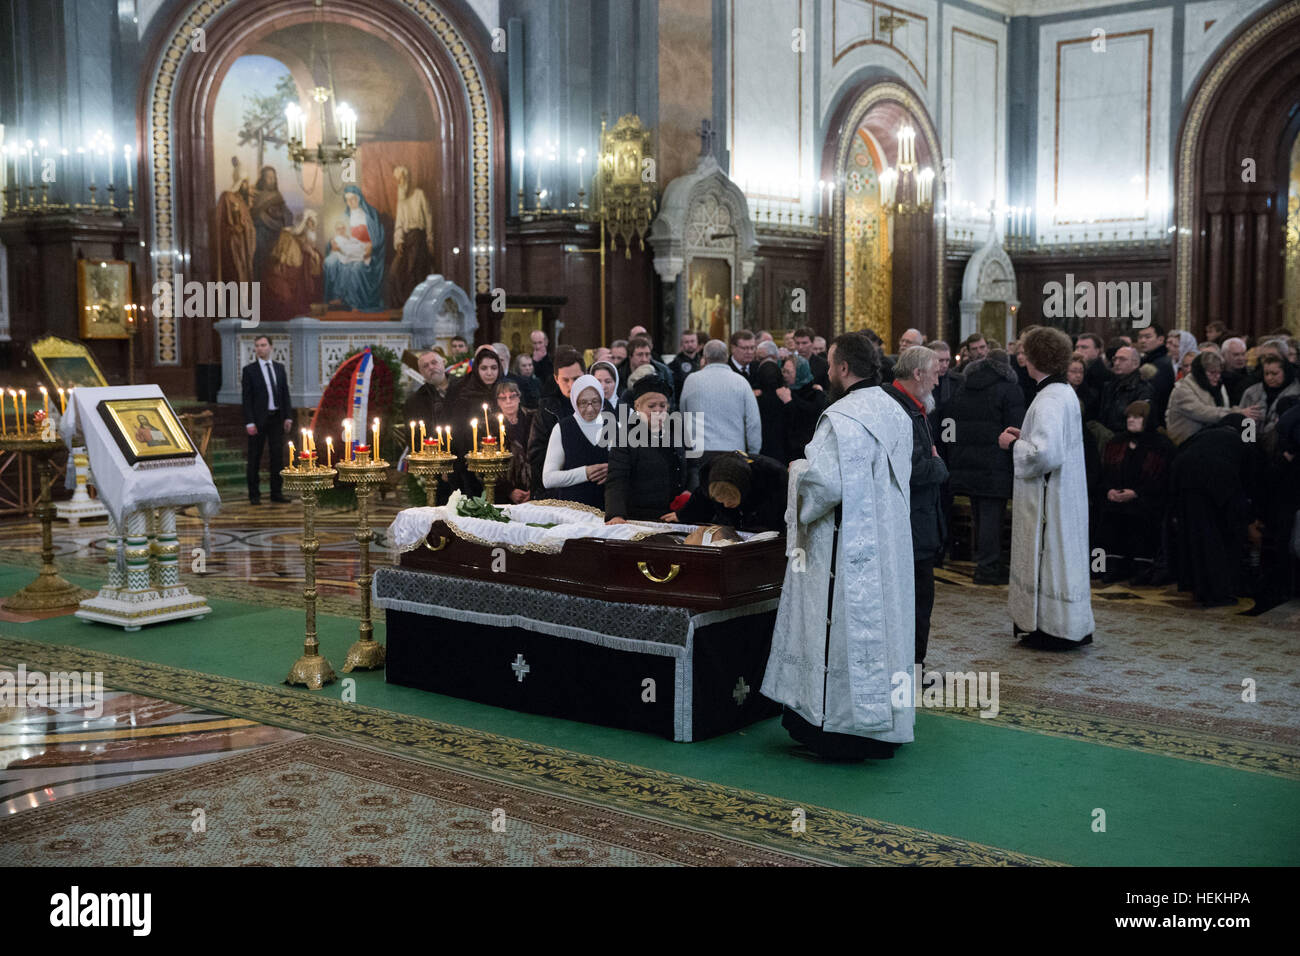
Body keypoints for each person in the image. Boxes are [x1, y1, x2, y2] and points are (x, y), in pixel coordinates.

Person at [761, 330, 915, 760]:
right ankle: (885, 725)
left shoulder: (841, 418)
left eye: (830, 363)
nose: (827, 371)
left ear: (844, 368)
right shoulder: (895, 409)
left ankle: (840, 729)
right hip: (886, 545)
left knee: (842, 630)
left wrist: (795, 473)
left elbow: (823, 486)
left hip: (845, 552)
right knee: (882, 628)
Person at [998, 326, 1095, 649]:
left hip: (1049, 500)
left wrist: (1012, 446)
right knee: (1063, 559)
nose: (1022, 359)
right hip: (1063, 494)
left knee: (1051, 557)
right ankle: (1067, 624)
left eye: (1026, 354)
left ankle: (1054, 630)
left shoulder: (1049, 398)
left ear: (1034, 358)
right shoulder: (1062, 392)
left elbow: (1045, 454)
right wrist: (1024, 435)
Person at [886, 346, 948, 664]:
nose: (938, 381)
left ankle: (914, 663)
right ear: (917, 374)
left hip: (921, 520)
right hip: (908, 522)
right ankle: (910, 666)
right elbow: (909, 468)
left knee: (921, 597)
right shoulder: (897, 410)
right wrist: (938, 467)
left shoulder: (916, 408)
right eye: (935, 373)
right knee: (914, 598)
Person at [944, 349, 1025, 585]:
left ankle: (985, 562)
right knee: (991, 516)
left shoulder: (964, 387)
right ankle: (988, 568)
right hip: (995, 463)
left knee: (980, 515)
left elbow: (951, 421)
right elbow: (1015, 427)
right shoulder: (1009, 389)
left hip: (967, 461)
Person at [1170, 415, 1252, 607]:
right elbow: (1249, 479)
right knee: (1215, 540)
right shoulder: (1241, 441)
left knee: (1193, 538)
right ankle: (1219, 592)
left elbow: (1180, 452)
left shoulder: (1203, 434)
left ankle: (1197, 588)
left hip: (1183, 481)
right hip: (1218, 485)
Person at [1097, 401, 1174, 585]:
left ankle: (1143, 568)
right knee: (1111, 519)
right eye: (1129, 417)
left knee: (1141, 519)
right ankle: (1113, 567)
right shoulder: (1116, 442)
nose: (1131, 421)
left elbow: (1163, 479)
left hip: (1148, 499)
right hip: (1116, 498)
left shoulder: (1161, 445)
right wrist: (1109, 490)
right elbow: (1105, 472)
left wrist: (1137, 493)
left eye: (1137, 417)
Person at [679, 339, 763, 490]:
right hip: (734, 451)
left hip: (699, 450)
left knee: (700, 500)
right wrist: (753, 453)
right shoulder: (741, 382)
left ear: (704, 356)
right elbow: (753, 422)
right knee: (729, 500)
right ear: (726, 356)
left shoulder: (692, 380)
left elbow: (683, 414)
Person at [605, 377, 685, 523]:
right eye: (651, 406)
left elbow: (692, 466)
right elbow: (617, 479)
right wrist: (616, 514)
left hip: (675, 516)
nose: (658, 411)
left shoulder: (677, 430)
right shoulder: (625, 436)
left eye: (662, 406)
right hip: (640, 518)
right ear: (638, 407)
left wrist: (687, 503)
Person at [673, 450, 788, 532]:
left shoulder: (773, 478)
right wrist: (682, 516)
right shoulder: (708, 477)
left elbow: (781, 519)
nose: (726, 505)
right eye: (721, 502)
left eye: (731, 501)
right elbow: (701, 501)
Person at [541, 373, 609, 508]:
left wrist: (614, 471)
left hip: (608, 509)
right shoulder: (562, 428)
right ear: (574, 401)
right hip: (573, 510)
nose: (590, 409)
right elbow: (548, 479)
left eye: (595, 402)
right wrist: (585, 473)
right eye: (583, 403)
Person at [241, 334, 294, 505]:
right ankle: (254, 495)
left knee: (277, 457)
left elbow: (285, 393)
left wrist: (288, 416)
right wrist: (249, 422)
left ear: (271, 347)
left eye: (263, 345)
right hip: (257, 421)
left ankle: (276, 493)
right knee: (254, 458)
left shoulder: (279, 368)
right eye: (257, 345)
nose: (260, 348)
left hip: (276, 418)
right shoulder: (249, 370)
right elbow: (247, 398)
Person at [1165, 351, 1260, 445]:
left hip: (1207, 439)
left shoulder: (1216, 386)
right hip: (1186, 443)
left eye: (1219, 373)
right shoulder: (1182, 389)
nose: (1217, 377)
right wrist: (1237, 412)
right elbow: (1203, 413)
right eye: (1212, 372)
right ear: (1200, 372)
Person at [446, 345, 504, 495]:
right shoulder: (465, 395)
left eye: (494, 368)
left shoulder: (505, 391)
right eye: (484, 368)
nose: (489, 373)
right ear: (476, 369)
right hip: (467, 463)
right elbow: (457, 431)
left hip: (500, 462)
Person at [527, 347, 586, 491]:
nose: (571, 385)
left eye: (576, 379)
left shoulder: (597, 405)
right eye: (565, 380)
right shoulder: (547, 409)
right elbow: (536, 452)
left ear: (585, 375)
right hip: (555, 488)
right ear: (556, 379)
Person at [1239, 354, 1300, 453]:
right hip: (1250, 447)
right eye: (1266, 373)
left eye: (1274, 373)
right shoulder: (1251, 393)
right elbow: (1242, 421)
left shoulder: (1296, 396)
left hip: (1281, 450)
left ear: (1286, 372)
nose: (1269, 378)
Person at [778, 354, 827, 461]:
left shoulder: (814, 393)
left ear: (800, 373)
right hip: (787, 451)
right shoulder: (784, 391)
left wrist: (790, 403)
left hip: (805, 451)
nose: (784, 375)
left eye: (788, 372)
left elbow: (809, 415)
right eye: (783, 371)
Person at [493, 379, 534, 504]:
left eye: (512, 396)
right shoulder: (489, 425)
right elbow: (487, 464)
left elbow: (542, 455)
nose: (508, 401)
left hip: (534, 487)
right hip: (504, 493)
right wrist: (509, 491)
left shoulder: (533, 418)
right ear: (498, 402)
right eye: (503, 398)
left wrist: (535, 489)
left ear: (519, 397)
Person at [403, 350, 451, 441]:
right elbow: (413, 438)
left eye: (434, 362)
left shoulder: (464, 388)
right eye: (425, 366)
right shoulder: (413, 402)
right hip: (434, 452)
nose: (431, 367)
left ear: (443, 363)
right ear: (421, 372)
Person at [1135, 323, 1175, 425]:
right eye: (1140, 337)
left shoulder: (1163, 363)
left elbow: (1157, 395)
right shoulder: (1146, 360)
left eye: (1148, 337)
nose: (1143, 341)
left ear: (1160, 339)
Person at [667, 329, 702, 401]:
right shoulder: (674, 365)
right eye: (686, 342)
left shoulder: (702, 361)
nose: (690, 344)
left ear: (697, 342)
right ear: (682, 344)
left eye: (692, 341)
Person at [1219, 337, 1251, 404]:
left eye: (1243, 354)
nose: (1241, 358)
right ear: (1224, 355)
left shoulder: (1251, 374)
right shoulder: (1217, 377)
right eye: (1236, 355)